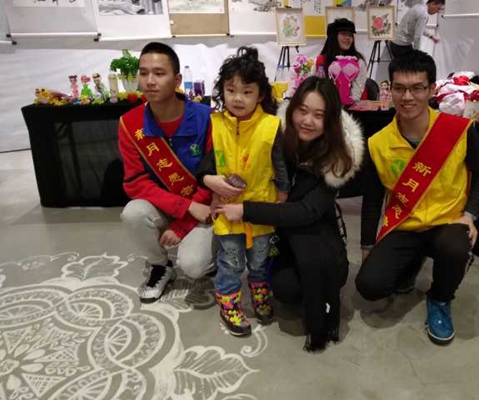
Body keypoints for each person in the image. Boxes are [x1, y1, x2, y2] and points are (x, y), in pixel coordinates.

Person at [356, 50, 479, 345]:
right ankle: (411, 263)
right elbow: (372, 199)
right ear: (390, 89)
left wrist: (470, 215)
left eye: (417, 88)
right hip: (406, 224)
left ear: (432, 89)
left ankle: (440, 299)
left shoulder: (458, 130)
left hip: (448, 222)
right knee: (369, 285)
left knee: (454, 249)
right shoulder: (378, 143)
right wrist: (367, 246)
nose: (407, 97)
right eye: (399, 88)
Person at [216, 76, 364, 352]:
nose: (307, 121)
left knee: (323, 274)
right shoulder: (276, 135)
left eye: (318, 115)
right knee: (285, 289)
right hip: (281, 233)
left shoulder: (338, 157)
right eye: (302, 111)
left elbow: (306, 212)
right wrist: (212, 180)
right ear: (292, 109)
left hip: (318, 231)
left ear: (330, 120)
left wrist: (246, 210)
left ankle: (321, 308)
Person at [194, 47, 290, 337]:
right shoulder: (214, 124)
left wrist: (283, 195)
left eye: (247, 92)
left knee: (260, 259)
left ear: (260, 95)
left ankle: (260, 291)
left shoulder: (271, 125)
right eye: (231, 90)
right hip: (227, 209)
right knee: (230, 261)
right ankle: (228, 302)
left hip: (261, 209)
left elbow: (280, 164)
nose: (238, 98)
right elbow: (206, 163)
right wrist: (208, 181)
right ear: (222, 91)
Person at [118, 42, 215, 303]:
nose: (150, 81)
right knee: (133, 213)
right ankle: (160, 266)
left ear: (177, 80)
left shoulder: (207, 118)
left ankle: (213, 254)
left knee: (194, 266)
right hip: (170, 205)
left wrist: (183, 225)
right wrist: (183, 206)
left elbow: (214, 177)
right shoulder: (129, 124)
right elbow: (135, 182)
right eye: (144, 73)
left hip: (202, 206)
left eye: (159, 73)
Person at [315, 18, 368, 103]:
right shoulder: (321, 60)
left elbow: (357, 92)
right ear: (334, 36)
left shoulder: (358, 61)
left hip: (353, 106)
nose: (347, 38)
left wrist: (346, 104)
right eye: (343, 34)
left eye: (350, 35)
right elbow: (317, 86)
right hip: (328, 104)